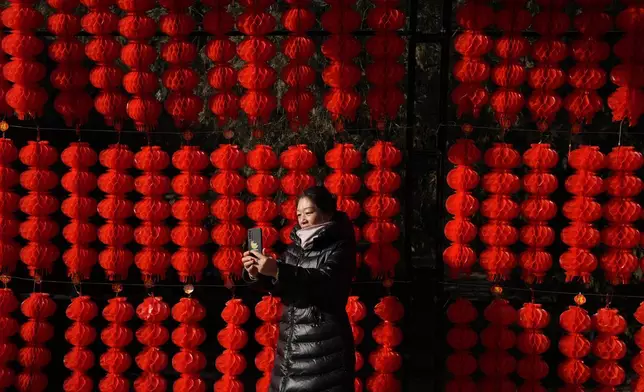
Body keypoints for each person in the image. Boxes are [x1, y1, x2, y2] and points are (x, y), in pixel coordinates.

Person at [242, 185, 356, 392]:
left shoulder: (340, 245)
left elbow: (324, 280)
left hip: (323, 345)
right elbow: (278, 286)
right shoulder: (294, 248)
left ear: (327, 212)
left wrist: (278, 270)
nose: (302, 218)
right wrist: (256, 272)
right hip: (290, 343)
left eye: (309, 212)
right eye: (299, 213)